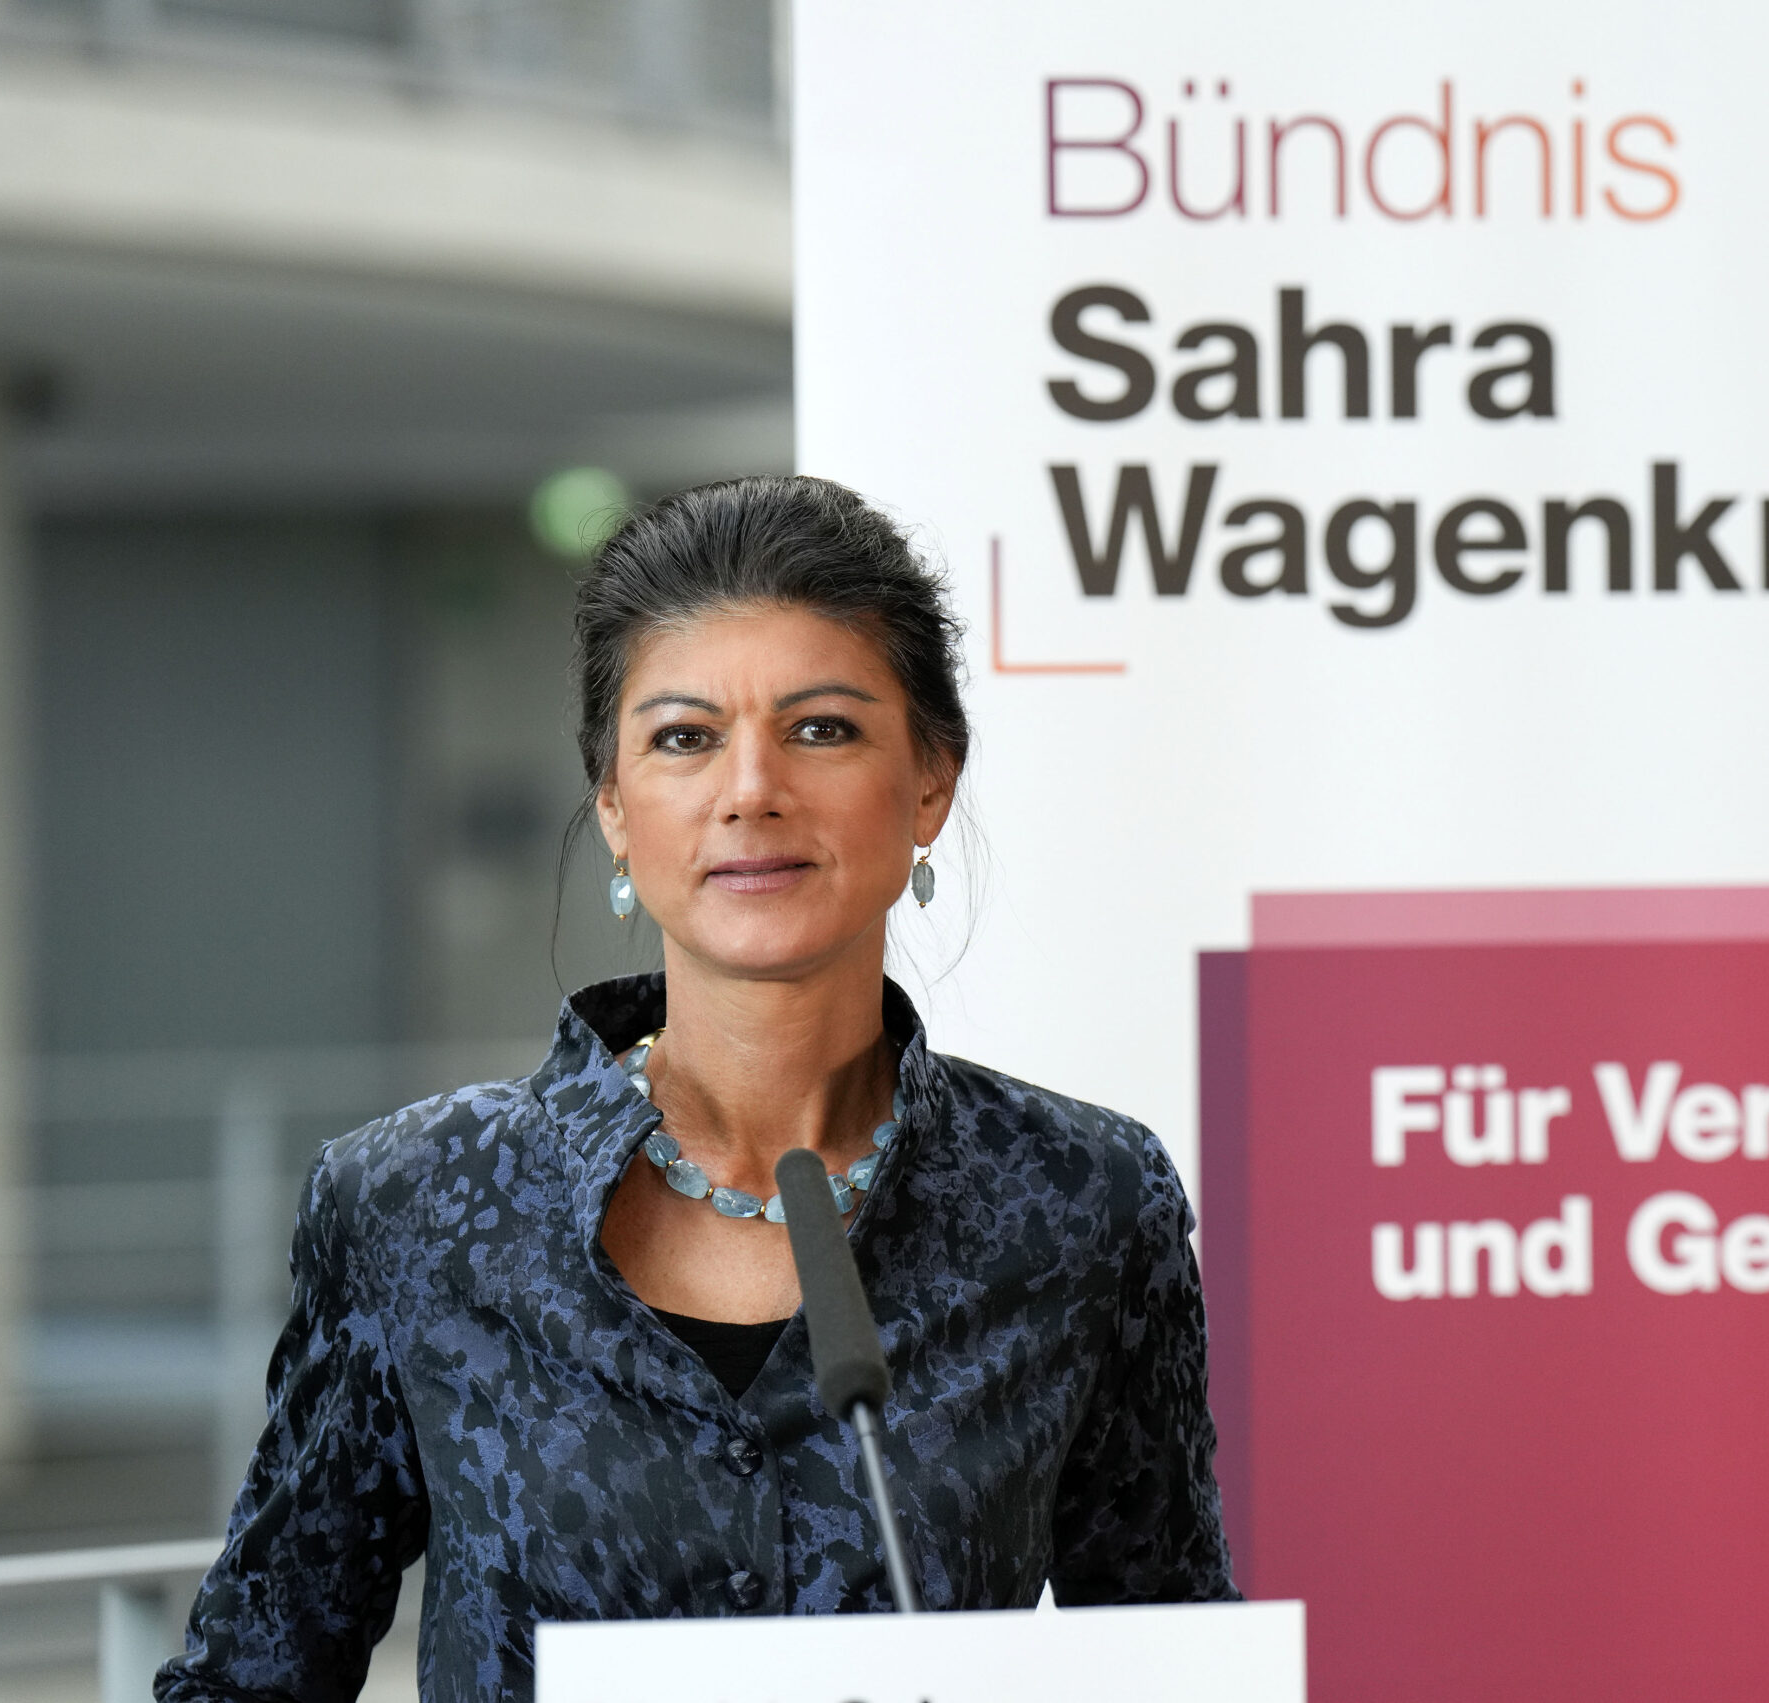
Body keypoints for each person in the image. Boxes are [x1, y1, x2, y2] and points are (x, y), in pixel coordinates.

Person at [159, 476, 1236, 1703]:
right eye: (684, 737)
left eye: (822, 728)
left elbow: (1174, 1658)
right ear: (614, 807)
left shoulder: (1081, 1199)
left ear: (930, 780)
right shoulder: (412, 1201)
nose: (749, 789)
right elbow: (251, 1677)